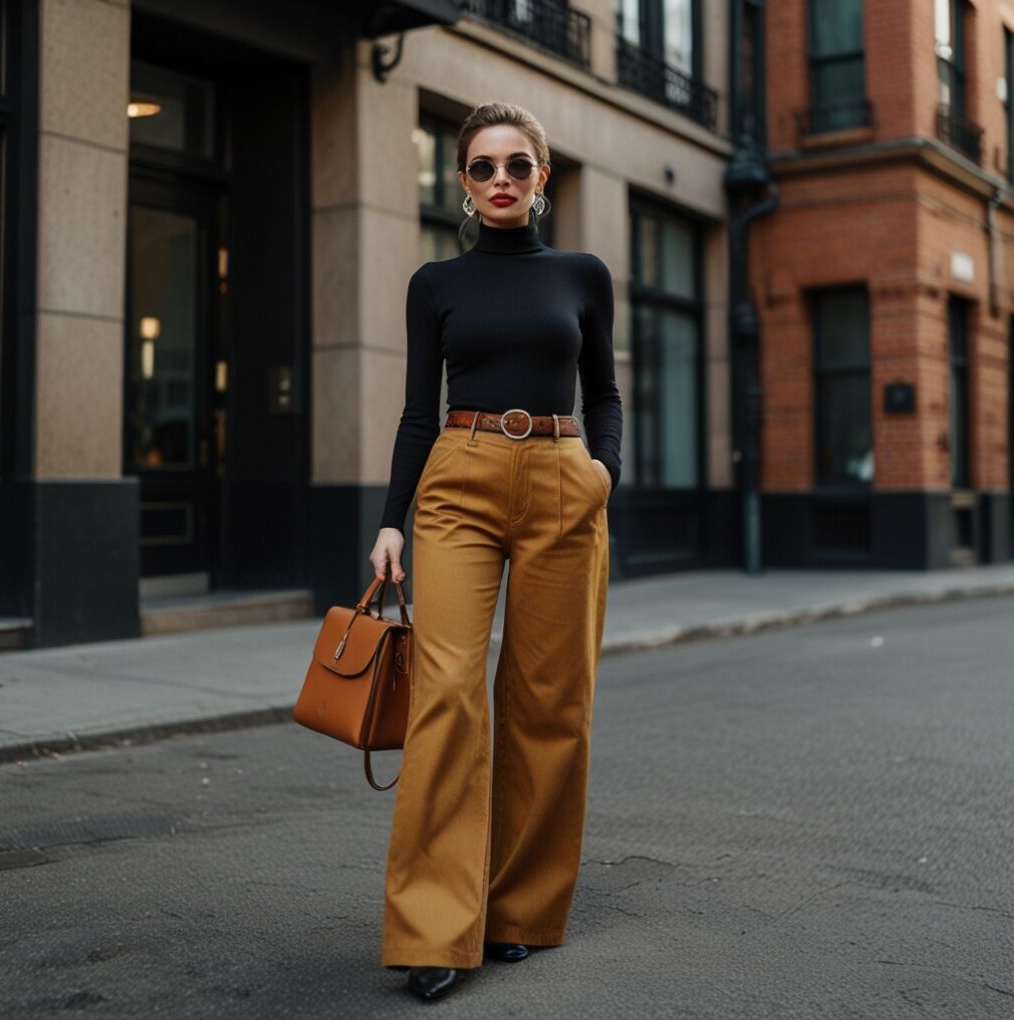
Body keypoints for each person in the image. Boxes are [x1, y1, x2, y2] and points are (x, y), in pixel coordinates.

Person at [369, 101, 623, 1002]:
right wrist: (393, 518)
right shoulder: (435, 283)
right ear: (465, 184)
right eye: (482, 167)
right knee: (445, 696)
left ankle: (519, 908)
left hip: (563, 476)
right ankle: (436, 928)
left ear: (542, 177)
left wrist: (604, 473)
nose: (501, 179)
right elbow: (413, 412)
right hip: (459, 479)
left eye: (518, 164)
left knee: (551, 698)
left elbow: (607, 392)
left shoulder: (584, 276)